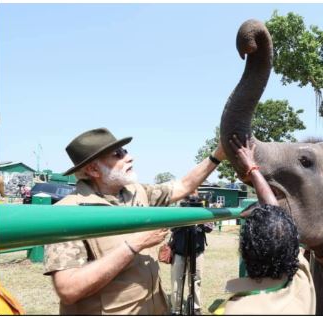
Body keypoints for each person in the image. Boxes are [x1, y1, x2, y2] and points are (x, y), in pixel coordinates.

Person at [43, 127, 225, 315]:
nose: (129, 158)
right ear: (93, 169)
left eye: (125, 151)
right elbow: (69, 290)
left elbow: (183, 186)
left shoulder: (138, 192)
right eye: (117, 155)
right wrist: (134, 245)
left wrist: (217, 155)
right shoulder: (68, 213)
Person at [212, 135, 316, 315]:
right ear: (292, 247)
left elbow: (274, 212)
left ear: (245, 251)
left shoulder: (236, 309)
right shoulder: (301, 280)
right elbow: (274, 211)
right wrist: (253, 168)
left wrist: (251, 168)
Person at [170, 194, 213, 315]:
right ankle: (176, 310)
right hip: (179, 251)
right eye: (190, 201)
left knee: (196, 280)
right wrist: (183, 217)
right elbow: (171, 227)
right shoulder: (178, 211)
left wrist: (200, 218)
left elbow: (210, 228)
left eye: (195, 202)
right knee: (176, 281)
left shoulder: (203, 212)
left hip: (197, 251)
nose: (192, 203)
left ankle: (195, 308)